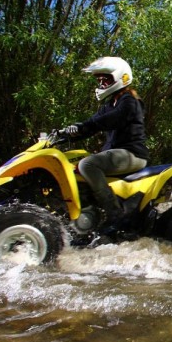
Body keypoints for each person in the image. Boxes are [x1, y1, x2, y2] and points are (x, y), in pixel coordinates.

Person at [64, 56, 150, 232]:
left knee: (87, 164)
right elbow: (92, 124)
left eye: (106, 79)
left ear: (120, 77)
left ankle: (114, 213)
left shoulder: (130, 101)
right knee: (72, 167)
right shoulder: (109, 104)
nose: (102, 83)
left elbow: (108, 121)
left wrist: (84, 126)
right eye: (100, 80)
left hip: (132, 154)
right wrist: (67, 133)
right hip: (119, 155)